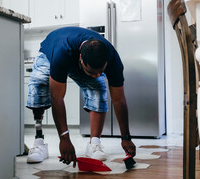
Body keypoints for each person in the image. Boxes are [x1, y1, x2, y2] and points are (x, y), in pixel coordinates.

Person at [26, 26, 136, 166]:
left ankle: (94, 144)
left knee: (98, 87)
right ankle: (39, 142)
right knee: (39, 83)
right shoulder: (61, 52)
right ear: (81, 60)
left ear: (106, 63)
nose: (96, 75)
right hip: (51, 52)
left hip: (78, 56)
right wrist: (64, 139)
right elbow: (57, 97)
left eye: (100, 71)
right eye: (91, 72)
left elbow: (119, 99)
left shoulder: (113, 59)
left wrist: (126, 137)